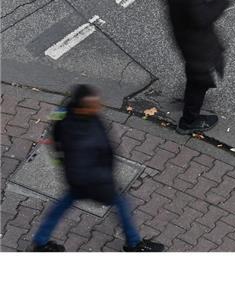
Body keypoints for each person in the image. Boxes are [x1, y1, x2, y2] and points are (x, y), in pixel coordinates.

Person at [30, 85, 165, 252]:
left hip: (82, 180)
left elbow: (58, 144)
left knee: (63, 204)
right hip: (95, 183)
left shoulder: (75, 116)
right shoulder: (79, 135)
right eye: (94, 104)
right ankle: (134, 244)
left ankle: (41, 241)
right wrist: (105, 183)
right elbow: (82, 165)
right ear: (83, 107)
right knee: (122, 204)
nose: (100, 105)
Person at [158, 0, 235, 134]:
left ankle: (191, 100)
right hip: (194, 40)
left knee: (196, 72)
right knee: (199, 78)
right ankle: (188, 122)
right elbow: (202, 18)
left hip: (180, 29)